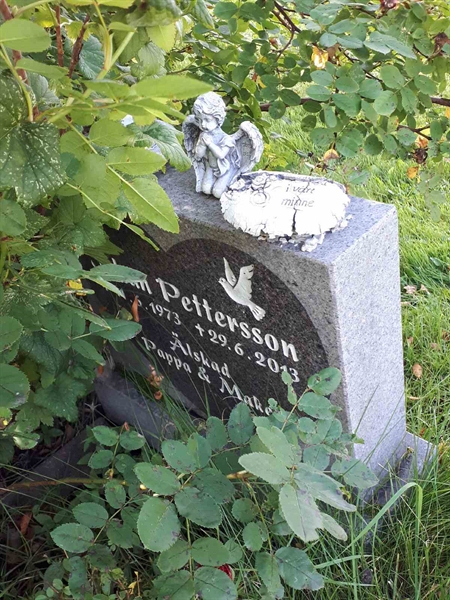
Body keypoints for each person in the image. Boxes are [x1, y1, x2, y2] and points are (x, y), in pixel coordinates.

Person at [192, 92, 240, 198]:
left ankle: (230, 180)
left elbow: (221, 155)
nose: (203, 124)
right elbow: (198, 156)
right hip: (210, 167)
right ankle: (213, 180)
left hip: (225, 169)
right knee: (205, 189)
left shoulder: (227, 139)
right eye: (200, 120)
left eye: (207, 120)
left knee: (217, 193)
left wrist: (209, 144)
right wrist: (201, 145)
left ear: (218, 118)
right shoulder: (204, 135)